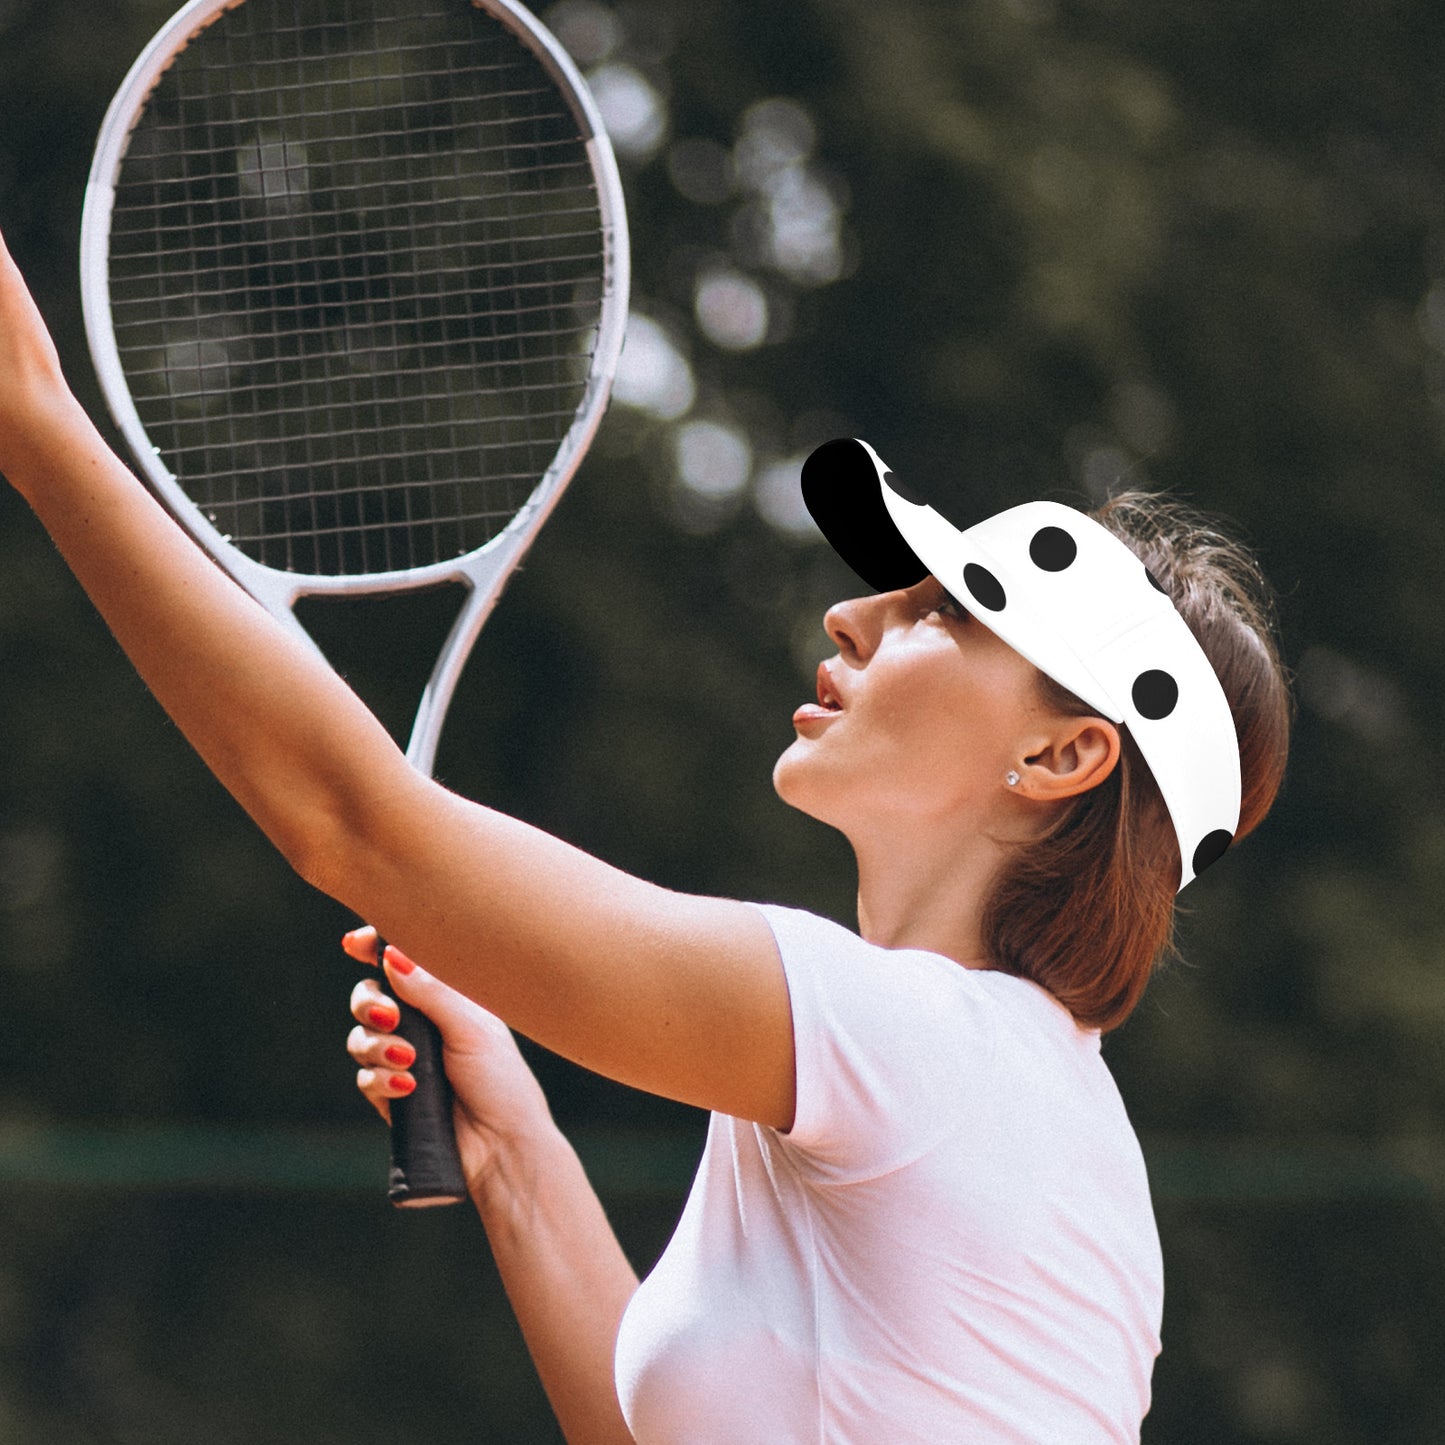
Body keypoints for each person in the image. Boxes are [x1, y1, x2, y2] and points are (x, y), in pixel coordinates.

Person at [0, 226, 1290, 1443]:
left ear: (1063, 756)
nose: (851, 620)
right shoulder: (972, 1088)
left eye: (941, 614)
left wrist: (38, 421)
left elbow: (350, 822)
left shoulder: (907, 1047)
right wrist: (516, 1156)